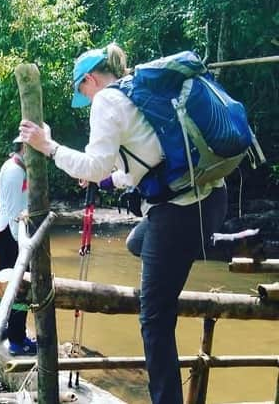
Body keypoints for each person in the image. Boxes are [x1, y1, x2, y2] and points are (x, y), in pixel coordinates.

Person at [18, 43, 227, 404]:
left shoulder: (106, 101)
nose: (85, 99)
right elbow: (141, 166)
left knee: (155, 319)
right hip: (212, 197)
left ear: (89, 80)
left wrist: (49, 147)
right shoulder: (138, 91)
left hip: (179, 211)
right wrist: (103, 179)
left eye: (82, 91)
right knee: (134, 243)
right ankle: (217, 242)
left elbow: (97, 165)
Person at [0, 136, 37, 356]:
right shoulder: (17, 171)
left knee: (0, 282)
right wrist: (24, 245)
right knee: (20, 285)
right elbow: (17, 211)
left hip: (3, 231)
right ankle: (17, 340)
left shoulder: (11, 165)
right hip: (13, 235)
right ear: (25, 147)